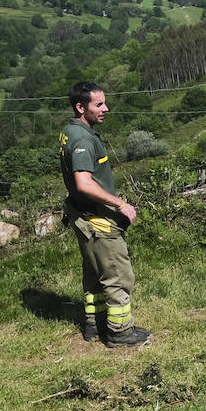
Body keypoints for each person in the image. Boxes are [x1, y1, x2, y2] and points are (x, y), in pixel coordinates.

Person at [60, 81, 152, 348]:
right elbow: (84, 183)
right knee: (117, 274)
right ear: (81, 107)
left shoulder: (69, 130)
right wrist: (120, 204)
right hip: (95, 218)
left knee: (94, 273)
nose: (106, 109)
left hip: (80, 214)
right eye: (98, 104)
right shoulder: (82, 140)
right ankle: (120, 332)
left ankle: (95, 324)